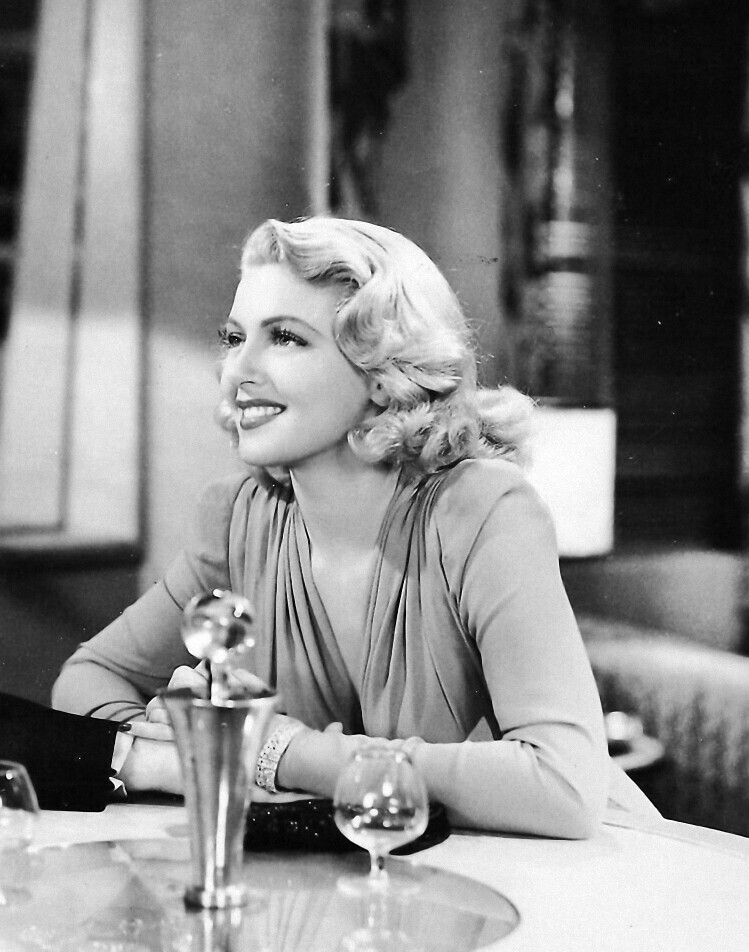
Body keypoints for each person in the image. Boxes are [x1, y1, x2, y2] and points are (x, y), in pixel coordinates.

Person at [53, 216, 632, 837]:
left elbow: (561, 787)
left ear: (383, 373)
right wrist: (181, 761)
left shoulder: (484, 512)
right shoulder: (238, 519)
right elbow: (87, 679)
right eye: (234, 337)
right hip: (363, 877)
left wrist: (278, 751)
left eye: (285, 338)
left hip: (559, 870)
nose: (237, 370)